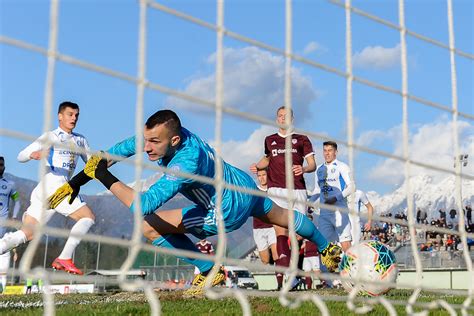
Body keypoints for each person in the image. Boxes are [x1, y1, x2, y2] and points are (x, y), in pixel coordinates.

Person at [48, 109, 342, 296]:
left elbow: (143, 204)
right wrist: (76, 183)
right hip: (243, 185)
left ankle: (207, 270)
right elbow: (111, 155)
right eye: (146, 140)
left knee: (148, 226)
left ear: (174, 141)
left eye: (154, 143)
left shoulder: (185, 162)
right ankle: (328, 248)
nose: (146, 147)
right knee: (282, 215)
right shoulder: (168, 135)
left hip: (225, 211)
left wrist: (105, 179)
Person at [0, 102, 95, 275]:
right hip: (54, 186)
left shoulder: (80, 140)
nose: (74, 118)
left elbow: (92, 164)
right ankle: (65, 257)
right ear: (60, 116)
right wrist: (33, 154)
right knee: (87, 217)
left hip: (47, 191)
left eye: (76, 115)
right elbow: (21, 156)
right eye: (70, 114)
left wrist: (106, 161)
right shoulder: (50, 136)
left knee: (27, 234)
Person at [250, 106, 316, 289]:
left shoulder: (302, 140)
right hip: (276, 190)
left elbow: (312, 165)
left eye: (285, 116)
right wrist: (258, 165)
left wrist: (303, 168)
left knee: (297, 235)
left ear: (292, 119)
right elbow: (267, 159)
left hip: (297, 191)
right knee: (280, 231)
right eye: (279, 116)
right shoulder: (269, 140)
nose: (281, 118)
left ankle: (294, 273)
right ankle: (289, 277)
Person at [310, 141, 353, 252]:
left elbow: (352, 187)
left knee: (346, 245)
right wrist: (309, 202)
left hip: (339, 211)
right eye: (325, 150)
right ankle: (329, 269)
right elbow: (317, 189)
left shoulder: (342, 167)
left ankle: (352, 268)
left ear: (336, 152)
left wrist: (336, 198)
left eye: (330, 150)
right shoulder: (319, 169)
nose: (327, 153)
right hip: (324, 214)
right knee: (325, 247)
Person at [0, 156, 21, 293]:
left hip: (3, 225)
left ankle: (2, 287)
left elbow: (17, 201)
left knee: (4, 256)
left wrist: (14, 216)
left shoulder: (10, 185)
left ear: (4, 167)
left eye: (1, 164)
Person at [252, 168, 278, 266]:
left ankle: (282, 280)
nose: (262, 178)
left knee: (276, 256)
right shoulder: (254, 191)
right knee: (265, 260)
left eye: (264, 175)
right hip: (258, 228)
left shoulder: (273, 190)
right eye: (259, 176)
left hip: (272, 227)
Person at [301, 216, 321, 290]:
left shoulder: (314, 229)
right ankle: (309, 287)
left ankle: (323, 282)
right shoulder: (303, 230)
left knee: (316, 271)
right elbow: (304, 243)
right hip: (306, 255)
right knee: (307, 272)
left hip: (314, 254)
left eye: (310, 220)